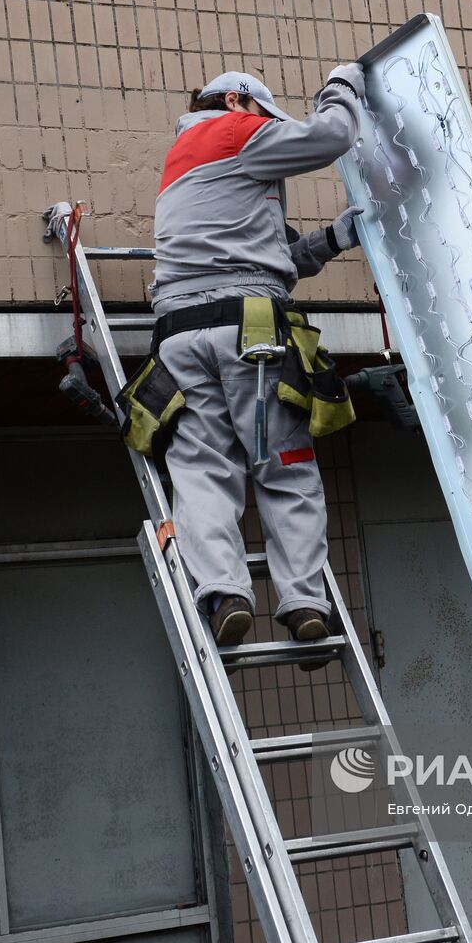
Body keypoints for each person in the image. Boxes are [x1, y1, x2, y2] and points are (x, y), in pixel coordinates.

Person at [127, 65, 366, 650]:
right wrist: (343, 87)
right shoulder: (236, 132)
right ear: (237, 101)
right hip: (248, 332)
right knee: (283, 467)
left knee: (204, 471)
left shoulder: (184, 160)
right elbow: (332, 136)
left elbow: (270, 256)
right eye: (263, 116)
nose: (268, 130)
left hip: (179, 338)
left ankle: (226, 594)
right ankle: (306, 605)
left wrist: (334, 238)